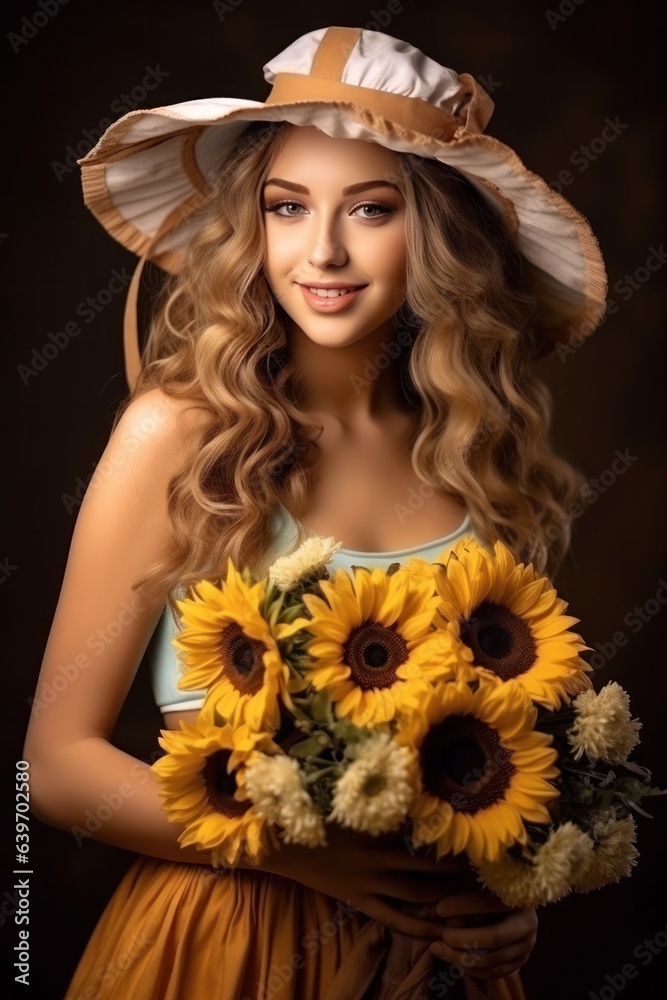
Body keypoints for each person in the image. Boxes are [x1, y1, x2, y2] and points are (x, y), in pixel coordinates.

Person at [24, 25, 607, 1000]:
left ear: (436, 234)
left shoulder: (470, 453)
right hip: (226, 939)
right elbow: (54, 766)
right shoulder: (177, 434)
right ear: (250, 225)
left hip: (433, 968)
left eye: (370, 210)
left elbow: (497, 763)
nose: (322, 249)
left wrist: (509, 901)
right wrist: (300, 856)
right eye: (287, 207)